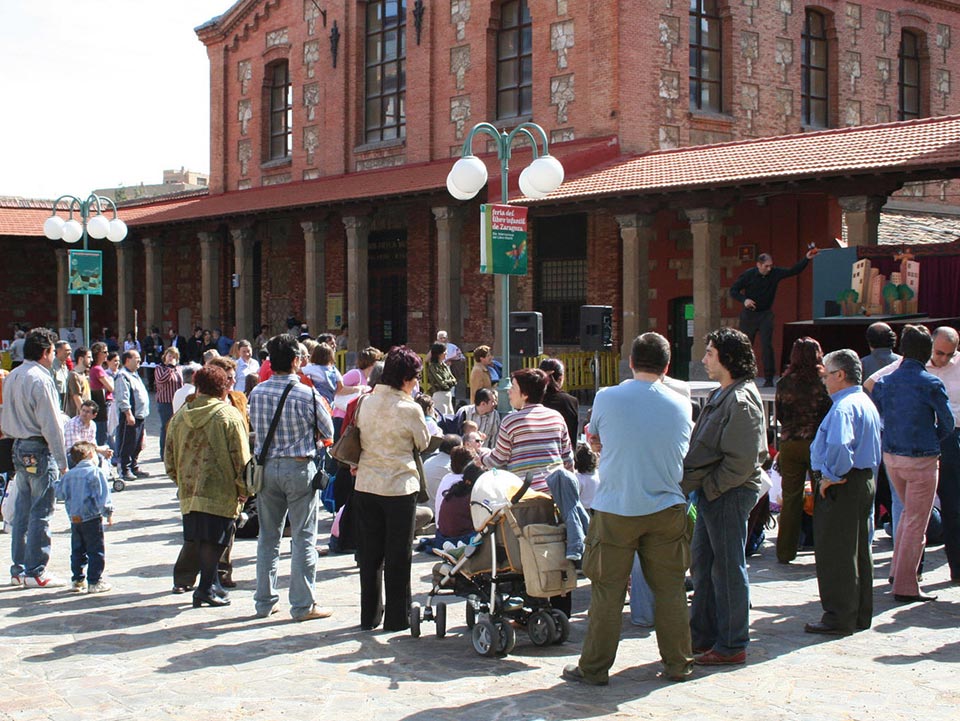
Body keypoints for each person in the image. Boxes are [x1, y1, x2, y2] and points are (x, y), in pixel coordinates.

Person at [563, 332, 694, 686]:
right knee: (670, 590)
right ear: (667, 366)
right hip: (667, 505)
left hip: (617, 507)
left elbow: (595, 438)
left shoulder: (607, 396)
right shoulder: (682, 403)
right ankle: (678, 663)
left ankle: (594, 667)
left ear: (631, 362)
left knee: (608, 591)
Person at [682, 327, 766, 665]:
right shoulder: (724, 394)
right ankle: (703, 636)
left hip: (728, 494)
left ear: (728, 358)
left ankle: (732, 643)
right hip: (713, 494)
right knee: (703, 564)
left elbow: (742, 462)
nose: (704, 360)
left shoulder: (741, 400)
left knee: (728, 569)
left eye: (710, 354)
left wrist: (712, 488)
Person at [249, 334, 334, 621]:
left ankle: (264, 601)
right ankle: (302, 604)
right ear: (297, 360)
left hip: (266, 468)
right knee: (303, 537)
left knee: (268, 537)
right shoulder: (307, 394)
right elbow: (328, 432)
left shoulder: (257, 392)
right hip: (298, 467)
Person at [872, 325, 953, 603]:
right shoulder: (930, 383)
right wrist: (931, 440)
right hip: (921, 458)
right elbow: (948, 423)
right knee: (916, 522)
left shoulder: (885, 382)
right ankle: (906, 585)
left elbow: (881, 413)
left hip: (892, 456)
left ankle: (898, 574)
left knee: (907, 516)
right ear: (927, 351)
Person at [353, 346, 431, 631]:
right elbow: (423, 442)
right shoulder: (410, 409)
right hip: (399, 486)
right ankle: (397, 618)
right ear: (406, 378)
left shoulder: (365, 402)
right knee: (398, 555)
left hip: (367, 483)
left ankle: (369, 615)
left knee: (370, 555)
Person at [806, 349, 881, 635]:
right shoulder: (863, 402)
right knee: (858, 549)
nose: (824, 381)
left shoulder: (844, 407)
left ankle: (839, 616)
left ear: (840, 375)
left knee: (837, 551)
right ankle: (858, 613)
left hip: (844, 483)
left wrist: (830, 476)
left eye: (826, 375)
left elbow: (839, 445)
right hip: (861, 480)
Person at [165, 365, 251, 608]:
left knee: (200, 539)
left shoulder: (180, 416)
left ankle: (211, 585)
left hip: (190, 490)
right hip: (220, 489)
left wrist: (181, 480)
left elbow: (169, 456)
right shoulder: (228, 416)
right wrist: (245, 488)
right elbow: (241, 457)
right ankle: (204, 589)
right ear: (222, 388)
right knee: (217, 541)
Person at [5, 327, 69, 588]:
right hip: (39, 447)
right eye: (53, 351)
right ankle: (35, 570)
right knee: (41, 510)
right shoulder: (41, 379)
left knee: (21, 510)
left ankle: (18, 568)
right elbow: (51, 423)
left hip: (18, 444)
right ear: (45, 352)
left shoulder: (14, 375)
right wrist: (62, 461)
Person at [774, 337, 832, 564]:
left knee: (791, 498)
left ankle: (785, 551)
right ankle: (824, 549)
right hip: (817, 444)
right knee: (821, 496)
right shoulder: (823, 381)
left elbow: (780, 414)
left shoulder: (784, 382)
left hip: (790, 443)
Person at [729, 247, 817, 386]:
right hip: (749, 315)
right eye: (766, 266)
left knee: (767, 346)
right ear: (758, 265)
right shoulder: (748, 275)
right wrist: (744, 300)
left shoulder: (774, 273)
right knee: (745, 345)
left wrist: (806, 259)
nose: (769, 269)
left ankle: (769, 379)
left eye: (770, 266)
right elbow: (733, 290)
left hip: (765, 314)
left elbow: (793, 271)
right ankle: (742, 376)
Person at [54, 441, 114, 594]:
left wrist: (56, 482)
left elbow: (60, 494)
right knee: (95, 550)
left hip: (75, 518)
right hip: (91, 517)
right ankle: (94, 581)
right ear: (90, 454)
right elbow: (102, 495)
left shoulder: (69, 475)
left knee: (77, 550)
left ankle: (77, 579)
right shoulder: (95, 472)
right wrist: (108, 512)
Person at [926, 326, 960, 586]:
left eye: (950, 354)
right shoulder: (916, 365)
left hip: (954, 436)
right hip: (927, 438)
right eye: (940, 353)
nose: (944, 359)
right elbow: (873, 383)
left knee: (953, 505)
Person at [114, 350, 151, 482]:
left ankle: (134, 466)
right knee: (128, 443)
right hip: (130, 416)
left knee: (137, 444)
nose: (139, 361)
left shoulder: (134, 374)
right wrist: (128, 413)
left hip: (140, 415)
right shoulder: (122, 376)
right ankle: (125, 469)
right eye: (137, 358)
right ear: (128, 360)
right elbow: (123, 397)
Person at [540, 358, 580, 444]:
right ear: (561, 378)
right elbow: (572, 434)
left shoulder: (531, 399)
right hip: (563, 449)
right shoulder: (571, 401)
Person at [154, 347, 183, 457]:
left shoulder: (179, 368)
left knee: (178, 427)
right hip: (165, 402)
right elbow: (161, 380)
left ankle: (176, 451)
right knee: (166, 427)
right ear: (165, 356)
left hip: (178, 402)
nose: (172, 358)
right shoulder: (159, 368)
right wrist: (170, 368)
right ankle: (164, 453)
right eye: (170, 356)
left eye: (174, 357)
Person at [88, 343, 113, 448]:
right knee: (102, 435)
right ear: (98, 353)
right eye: (104, 352)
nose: (107, 354)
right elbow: (111, 388)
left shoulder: (98, 368)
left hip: (102, 402)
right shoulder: (97, 369)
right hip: (101, 403)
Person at [426, 342, 457, 415]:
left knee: (450, 416)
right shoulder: (433, 367)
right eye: (444, 352)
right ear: (439, 354)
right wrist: (450, 383)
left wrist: (449, 382)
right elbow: (441, 383)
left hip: (448, 395)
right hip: (439, 395)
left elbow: (454, 380)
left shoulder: (444, 365)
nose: (446, 353)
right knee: (441, 417)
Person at [64, 346, 91, 418]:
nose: (91, 360)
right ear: (81, 359)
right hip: (77, 418)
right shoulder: (74, 375)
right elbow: (77, 398)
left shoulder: (83, 374)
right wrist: (86, 416)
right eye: (89, 357)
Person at [52, 339, 72, 408]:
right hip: (57, 401)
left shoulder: (65, 365)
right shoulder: (52, 366)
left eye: (70, 350)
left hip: (66, 401)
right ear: (58, 351)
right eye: (67, 350)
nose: (70, 352)